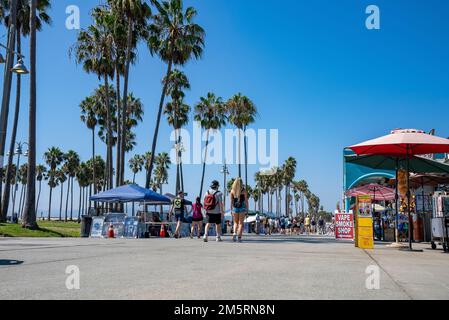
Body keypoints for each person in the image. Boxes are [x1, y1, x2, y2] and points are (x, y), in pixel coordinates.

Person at [230, 178, 249, 243]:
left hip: (235, 208)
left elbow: (232, 201)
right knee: (241, 223)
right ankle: (239, 238)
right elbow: (246, 201)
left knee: (235, 222)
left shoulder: (232, 191)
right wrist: (247, 209)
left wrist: (231, 209)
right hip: (242, 208)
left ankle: (234, 233)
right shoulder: (244, 191)